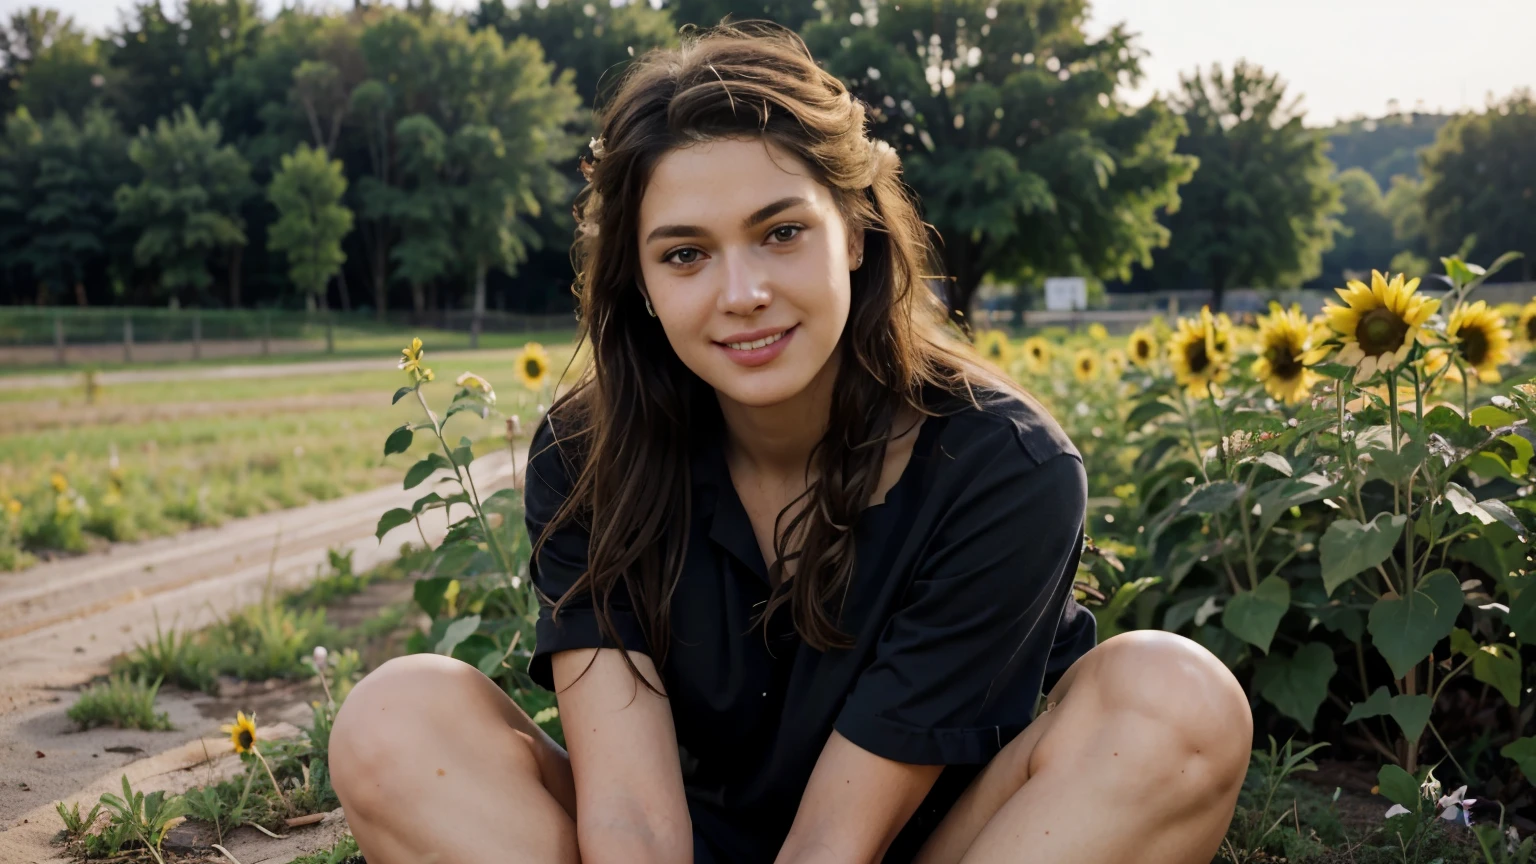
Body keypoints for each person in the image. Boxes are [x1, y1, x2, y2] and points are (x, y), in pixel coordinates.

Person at [329, 21, 1253, 864]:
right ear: (642, 284)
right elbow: (634, 823)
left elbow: (836, 843)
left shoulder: (1006, 471)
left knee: (1174, 697)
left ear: (854, 231)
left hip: (950, 846)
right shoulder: (587, 455)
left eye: (779, 233)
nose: (741, 293)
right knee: (395, 718)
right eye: (685, 253)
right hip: (697, 847)